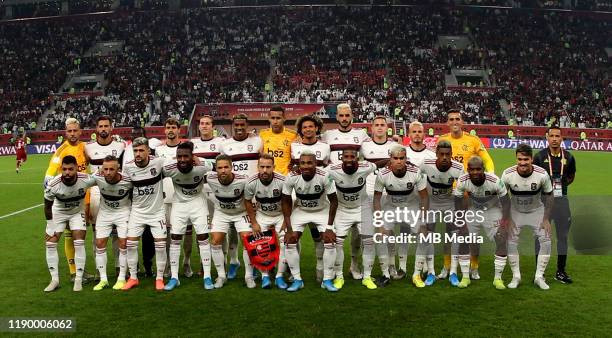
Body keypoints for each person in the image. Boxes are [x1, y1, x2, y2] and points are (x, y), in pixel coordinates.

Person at [438, 109, 495, 280]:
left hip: (469, 194)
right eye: (451, 119)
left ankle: (474, 267)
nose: (454, 121)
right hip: (448, 194)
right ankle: (446, 266)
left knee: (471, 233)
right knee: (449, 232)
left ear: (462, 122)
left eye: (457, 119)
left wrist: (490, 175)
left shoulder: (473, 140)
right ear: (447, 123)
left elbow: (487, 160)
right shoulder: (442, 140)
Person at [321, 103, 370, 280]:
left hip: (355, 188)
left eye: (346, 115)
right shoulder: (328, 135)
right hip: (334, 190)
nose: (344, 119)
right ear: (337, 117)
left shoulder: (361, 135)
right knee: (332, 233)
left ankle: (354, 265)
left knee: (358, 235)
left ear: (351, 116)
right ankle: (331, 268)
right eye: (341, 116)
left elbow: (369, 156)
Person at [282, 151, 339, 292]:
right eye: (302, 163)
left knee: (330, 241)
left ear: (315, 163)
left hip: (322, 211)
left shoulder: (325, 176)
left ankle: (327, 280)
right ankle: (297, 280)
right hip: (301, 211)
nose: (306, 166)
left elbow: (334, 201)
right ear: (298, 164)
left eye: (309, 163)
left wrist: (330, 227)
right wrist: (289, 229)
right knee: (290, 241)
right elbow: (285, 202)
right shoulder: (291, 177)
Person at [43, 118, 91, 283]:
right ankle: (74, 272)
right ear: (66, 132)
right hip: (70, 199)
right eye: (69, 131)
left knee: (86, 234)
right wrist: (49, 178)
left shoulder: (85, 147)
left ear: (80, 131)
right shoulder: (61, 150)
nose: (72, 133)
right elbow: (51, 169)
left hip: (87, 195)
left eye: (75, 130)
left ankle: (83, 270)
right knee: (71, 234)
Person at [162, 142, 214, 291]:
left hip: (198, 203)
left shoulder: (202, 165)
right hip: (179, 204)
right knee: (175, 239)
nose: (182, 159)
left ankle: (207, 276)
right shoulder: (169, 168)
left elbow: (218, 164)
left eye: (186, 156)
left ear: (192, 157)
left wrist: (202, 160)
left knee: (203, 237)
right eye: (179, 156)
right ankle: (174, 278)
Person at [373, 145, 429, 286]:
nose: (399, 161)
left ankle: (416, 274)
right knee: (380, 237)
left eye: (401, 158)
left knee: (424, 236)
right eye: (395, 158)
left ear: (406, 159)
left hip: (411, 207)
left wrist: (423, 222)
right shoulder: (382, 174)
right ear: (390, 159)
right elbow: (376, 199)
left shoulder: (416, 172)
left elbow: (424, 198)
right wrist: (379, 223)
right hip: (390, 207)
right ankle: (386, 273)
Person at [454, 156, 512, 289]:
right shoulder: (462, 180)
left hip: (492, 210)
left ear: (483, 169)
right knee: (463, 238)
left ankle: (498, 279)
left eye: (478, 169)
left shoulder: (495, 181)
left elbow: (506, 203)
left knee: (501, 239)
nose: (475, 172)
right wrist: (461, 222)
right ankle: (465, 277)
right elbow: (457, 202)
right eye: (472, 169)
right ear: (467, 170)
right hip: (473, 210)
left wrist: (504, 223)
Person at [504, 144, 555, 290]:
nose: (522, 162)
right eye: (519, 159)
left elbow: (549, 196)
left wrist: (546, 219)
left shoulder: (542, 174)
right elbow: (502, 197)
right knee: (511, 241)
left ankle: (539, 276)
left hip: (536, 211)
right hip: (515, 211)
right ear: (516, 159)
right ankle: (516, 277)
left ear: (531, 159)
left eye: (526, 159)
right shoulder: (508, 174)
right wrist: (507, 218)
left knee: (546, 240)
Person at [328, 149, 381, 289]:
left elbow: (380, 163)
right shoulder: (332, 169)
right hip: (342, 210)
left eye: (353, 157)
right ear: (342, 158)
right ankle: (339, 277)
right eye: (346, 157)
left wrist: (397, 161)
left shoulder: (365, 167)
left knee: (369, 242)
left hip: (362, 209)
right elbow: (317, 172)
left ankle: (367, 277)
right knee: (337, 244)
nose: (349, 159)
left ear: (357, 158)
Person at [43, 155, 96, 292]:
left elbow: (102, 179)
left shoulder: (85, 179)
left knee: (79, 241)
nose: (67, 172)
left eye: (70, 169)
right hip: (58, 213)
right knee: (50, 243)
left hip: (77, 213)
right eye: (64, 169)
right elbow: (47, 207)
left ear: (77, 168)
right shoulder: (53, 185)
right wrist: (50, 226)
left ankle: (78, 279)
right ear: (61, 169)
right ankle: (54, 280)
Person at [122, 137, 168, 291]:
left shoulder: (159, 162)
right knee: (130, 244)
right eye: (135, 151)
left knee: (161, 246)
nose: (138, 154)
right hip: (138, 212)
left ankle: (159, 278)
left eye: (141, 150)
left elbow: (177, 168)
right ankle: (133, 277)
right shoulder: (128, 168)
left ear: (148, 150)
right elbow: (124, 187)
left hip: (157, 212)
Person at [220, 114, 263, 279]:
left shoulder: (257, 141)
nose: (239, 127)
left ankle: (257, 263)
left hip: (252, 193)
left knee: (254, 230)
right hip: (232, 193)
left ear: (248, 125)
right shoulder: (225, 145)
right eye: (236, 124)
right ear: (233, 125)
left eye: (242, 125)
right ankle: (234, 261)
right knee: (232, 231)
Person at [533, 125, 576, 284]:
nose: (555, 139)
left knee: (562, 237)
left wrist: (560, 185)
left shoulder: (569, 157)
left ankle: (561, 271)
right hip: (543, 203)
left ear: (562, 138)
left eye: (558, 136)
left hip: (562, 201)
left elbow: (571, 176)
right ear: (547, 137)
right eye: (552, 136)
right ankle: (539, 273)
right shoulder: (539, 156)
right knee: (540, 237)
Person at [291, 114, 331, 282]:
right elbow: (290, 166)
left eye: (311, 126)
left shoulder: (325, 147)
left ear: (316, 128)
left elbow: (327, 168)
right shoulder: (294, 146)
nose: (308, 129)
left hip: (318, 193)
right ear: (300, 129)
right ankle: (293, 272)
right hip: (298, 193)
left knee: (318, 233)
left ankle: (320, 266)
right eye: (304, 127)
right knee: (294, 234)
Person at [84, 116, 125, 278]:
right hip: (95, 194)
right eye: (100, 126)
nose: (103, 129)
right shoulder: (88, 148)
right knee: (97, 234)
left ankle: (117, 266)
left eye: (106, 126)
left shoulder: (120, 146)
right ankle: (99, 270)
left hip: (115, 193)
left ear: (111, 128)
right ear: (96, 128)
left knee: (116, 233)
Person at [419, 140, 464, 286]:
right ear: (437, 154)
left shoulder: (458, 168)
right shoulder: (426, 164)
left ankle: (453, 272)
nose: (444, 157)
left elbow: (463, 189)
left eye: (448, 154)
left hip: (450, 204)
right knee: (428, 235)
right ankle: (431, 272)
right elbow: (415, 178)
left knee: (455, 235)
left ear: (451, 155)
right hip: (431, 203)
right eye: (442, 154)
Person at [206, 155, 253, 288]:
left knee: (247, 240)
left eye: (226, 167)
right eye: (220, 168)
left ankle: (248, 276)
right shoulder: (210, 178)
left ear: (232, 168)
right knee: (215, 241)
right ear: (216, 169)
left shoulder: (243, 180)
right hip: (222, 213)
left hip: (240, 213)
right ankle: (221, 276)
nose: (223, 170)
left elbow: (251, 198)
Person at [361, 116, 399, 280]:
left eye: (382, 125)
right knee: (366, 232)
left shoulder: (395, 146)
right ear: (371, 127)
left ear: (387, 127)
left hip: (388, 194)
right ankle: (365, 267)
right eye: (376, 125)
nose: (379, 128)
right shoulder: (364, 146)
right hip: (368, 193)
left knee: (388, 231)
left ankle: (391, 265)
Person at [244, 154, 288, 289]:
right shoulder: (251, 182)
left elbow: (289, 201)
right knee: (261, 245)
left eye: (268, 167)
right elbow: (247, 201)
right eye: (262, 167)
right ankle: (265, 276)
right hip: (262, 216)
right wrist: (254, 223)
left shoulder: (282, 180)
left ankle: (280, 276)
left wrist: (287, 220)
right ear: (257, 167)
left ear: (273, 167)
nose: (264, 170)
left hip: (280, 215)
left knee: (285, 243)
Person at [91, 155, 132, 291]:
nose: (108, 172)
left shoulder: (128, 180)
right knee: (100, 244)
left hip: (123, 212)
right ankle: (103, 279)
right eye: (105, 169)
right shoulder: (98, 177)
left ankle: (121, 278)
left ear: (118, 169)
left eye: (111, 169)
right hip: (105, 213)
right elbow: (81, 181)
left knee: (123, 243)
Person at [260, 106, 298, 175]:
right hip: (268, 176)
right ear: (269, 119)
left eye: (278, 118)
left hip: (285, 177)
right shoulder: (262, 134)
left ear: (284, 119)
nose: (275, 121)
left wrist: (294, 167)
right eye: (273, 118)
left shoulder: (293, 135)